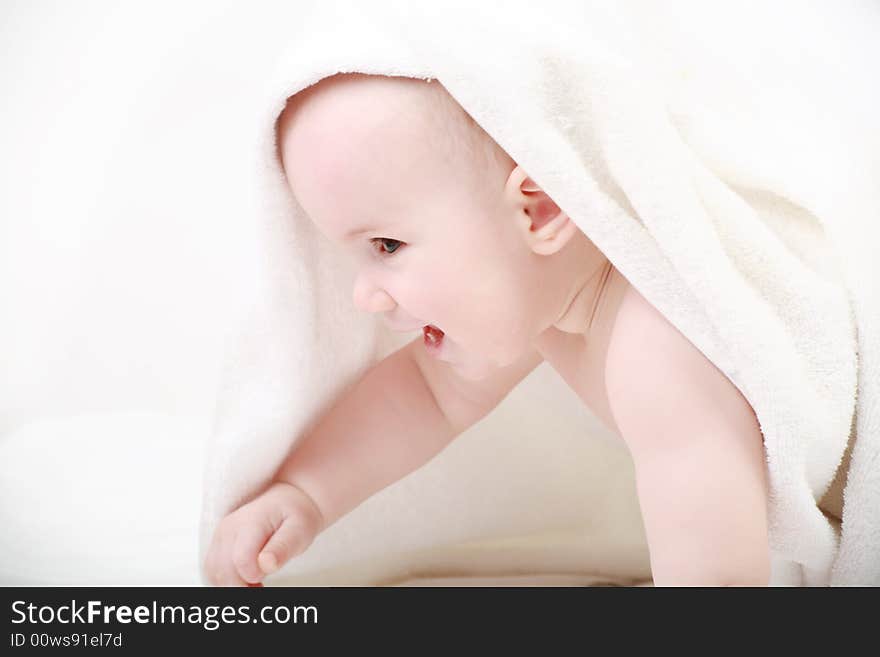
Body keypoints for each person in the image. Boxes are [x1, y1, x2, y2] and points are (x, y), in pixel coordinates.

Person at [204, 72, 770, 587]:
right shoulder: (550, 303)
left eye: (387, 245)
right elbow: (429, 396)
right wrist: (306, 494)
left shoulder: (657, 349)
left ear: (540, 210)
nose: (362, 295)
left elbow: (720, 575)